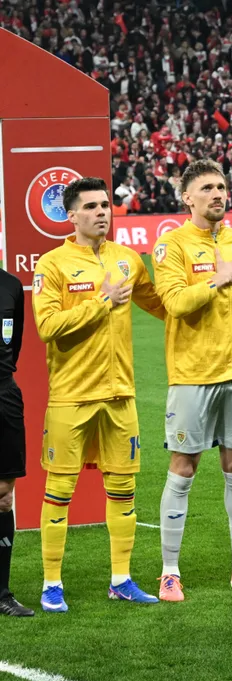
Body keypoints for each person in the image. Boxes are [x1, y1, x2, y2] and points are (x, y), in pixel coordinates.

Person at [32, 177, 166, 612]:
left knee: (124, 489)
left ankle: (121, 580)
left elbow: (161, 305)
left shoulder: (128, 259)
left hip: (120, 394)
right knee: (59, 489)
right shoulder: (52, 264)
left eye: (105, 205)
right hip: (71, 395)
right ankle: (51, 584)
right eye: (90, 207)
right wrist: (100, 302)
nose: (101, 212)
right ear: (71, 216)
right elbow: (47, 326)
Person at [153, 159, 232, 601]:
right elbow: (174, 303)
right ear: (187, 197)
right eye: (207, 188)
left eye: (222, 187)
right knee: (183, 468)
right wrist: (216, 279)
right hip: (191, 375)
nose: (218, 194)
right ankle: (169, 572)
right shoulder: (172, 245)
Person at [0, 262, 29, 616]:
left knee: (4, 496)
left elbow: (14, 343)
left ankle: (2, 594)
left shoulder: (11, 285)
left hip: (5, 395)